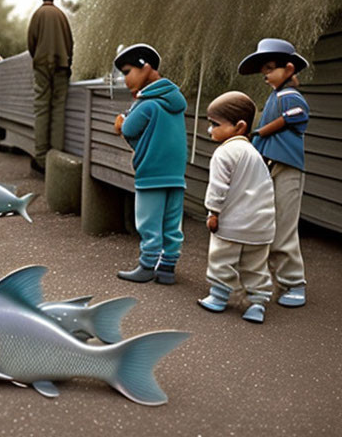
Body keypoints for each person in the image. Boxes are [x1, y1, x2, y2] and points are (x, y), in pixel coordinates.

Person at [238, 38, 310, 308]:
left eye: (270, 68)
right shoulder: (274, 97)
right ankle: (267, 277)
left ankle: (294, 282)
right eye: (264, 70)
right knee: (266, 221)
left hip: (286, 166)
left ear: (288, 68)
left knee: (283, 226)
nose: (266, 75)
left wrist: (260, 132)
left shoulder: (290, 96)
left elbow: (294, 116)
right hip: (269, 163)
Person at [112, 44, 187, 284]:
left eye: (127, 71)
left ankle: (147, 265)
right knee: (171, 223)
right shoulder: (174, 101)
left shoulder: (148, 103)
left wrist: (122, 121)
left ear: (145, 67)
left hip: (152, 172)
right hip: (176, 174)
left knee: (148, 221)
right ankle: (167, 268)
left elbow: (130, 129)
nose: (125, 79)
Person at [199, 91, 275, 324]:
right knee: (255, 265)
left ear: (239, 126)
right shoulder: (255, 154)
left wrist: (213, 212)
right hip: (261, 225)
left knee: (222, 258)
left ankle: (219, 296)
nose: (210, 129)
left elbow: (218, 188)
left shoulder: (224, 153)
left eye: (215, 124)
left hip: (232, 223)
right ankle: (257, 303)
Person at [26, 0, 73, 173]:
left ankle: (41, 159)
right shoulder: (62, 16)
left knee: (42, 109)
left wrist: (38, 58)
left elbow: (31, 42)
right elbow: (70, 43)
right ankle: (56, 158)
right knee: (59, 109)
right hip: (62, 65)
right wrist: (67, 61)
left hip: (43, 66)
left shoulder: (37, 15)